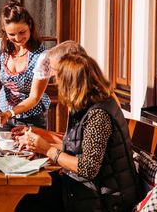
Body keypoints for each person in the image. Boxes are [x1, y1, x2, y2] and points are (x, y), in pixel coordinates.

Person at [16, 53, 142, 212]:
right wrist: (40, 149)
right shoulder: (88, 105)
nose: (57, 83)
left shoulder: (98, 115)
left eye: (59, 79)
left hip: (106, 201)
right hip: (88, 189)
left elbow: (88, 167)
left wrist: (47, 150)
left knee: (26, 200)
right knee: (25, 193)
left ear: (72, 84)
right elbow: (77, 149)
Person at [0, 0, 50, 129]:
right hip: (2, 115)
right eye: (11, 34)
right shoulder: (0, 45)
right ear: (5, 31)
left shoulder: (42, 55)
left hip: (31, 119)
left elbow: (34, 97)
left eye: (22, 32)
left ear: (30, 27)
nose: (17, 38)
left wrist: (10, 113)